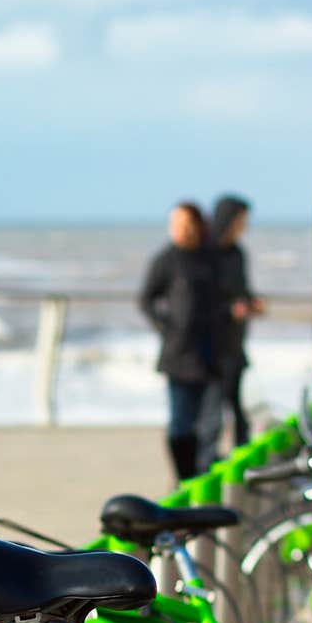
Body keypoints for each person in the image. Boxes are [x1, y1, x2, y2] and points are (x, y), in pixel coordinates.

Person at [138, 201, 218, 482]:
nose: (180, 230)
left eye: (186, 224)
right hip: (178, 355)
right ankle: (183, 479)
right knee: (180, 425)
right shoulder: (166, 259)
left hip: (211, 354)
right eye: (175, 224)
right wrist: (166, 328)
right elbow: (146, 299)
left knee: (211, 426)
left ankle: (203, 477)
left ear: (198, 226)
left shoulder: (210, 257)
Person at [197, 195, 265, 468]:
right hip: (210, 347)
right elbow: (197, 301)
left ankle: (241, 468)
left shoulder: (237, 253)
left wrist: (252, 304)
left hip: (235, 344)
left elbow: (242, 291)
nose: (244, 225)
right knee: (211, 415)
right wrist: (228, 311)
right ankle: (204, 468)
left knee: (239, 411)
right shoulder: (204, 254)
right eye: (241, 220)